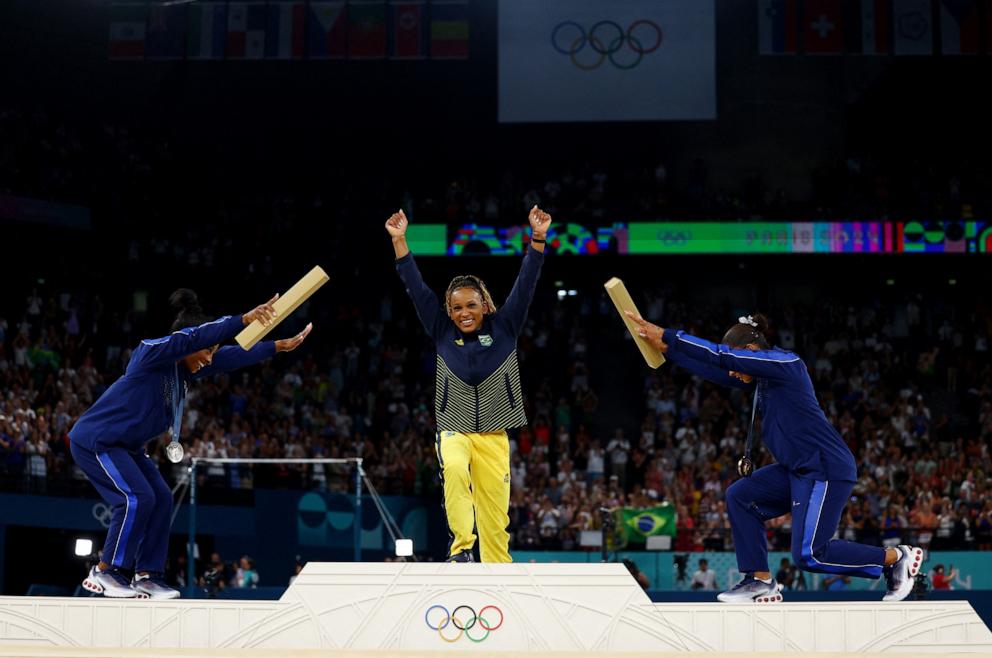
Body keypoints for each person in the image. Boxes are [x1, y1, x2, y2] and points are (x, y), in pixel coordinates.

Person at [626, 311, 923, 604]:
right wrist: (670, 351)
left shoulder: (787, 363)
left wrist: (668, 335)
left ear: (751, 351)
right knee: (740, 496)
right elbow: (717, 369)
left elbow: (721, 357)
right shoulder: (762, 379)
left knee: (810, 555)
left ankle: (896, 558)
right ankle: (760, 581)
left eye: (737, 361)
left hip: (825, 468)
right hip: (797, 469)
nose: (733, 373)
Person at [70, 289, 312, 599]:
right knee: (135, 498)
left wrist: (276, 347)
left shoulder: (186, 369)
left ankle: (147, 575)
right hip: (96, 440)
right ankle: (106, 571)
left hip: (127, 447)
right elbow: (190, 340)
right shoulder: (151, 354)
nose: (208, 359)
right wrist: (242, 319)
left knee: (161, 497)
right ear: (191, 341)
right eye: (206, 350)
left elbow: (229, 356)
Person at [386, 206, 550, 563]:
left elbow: (526, 284)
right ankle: (461, 550)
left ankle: (497, 570)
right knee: (456, 471)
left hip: (493, 435)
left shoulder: (505, 327)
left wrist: (538, 239)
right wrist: (400, 242)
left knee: (495, 514)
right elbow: (416, 288)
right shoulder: (441, 330)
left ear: (485, 305)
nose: (464, 313)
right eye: (457, 307)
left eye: (471, 306)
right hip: (454, 428)